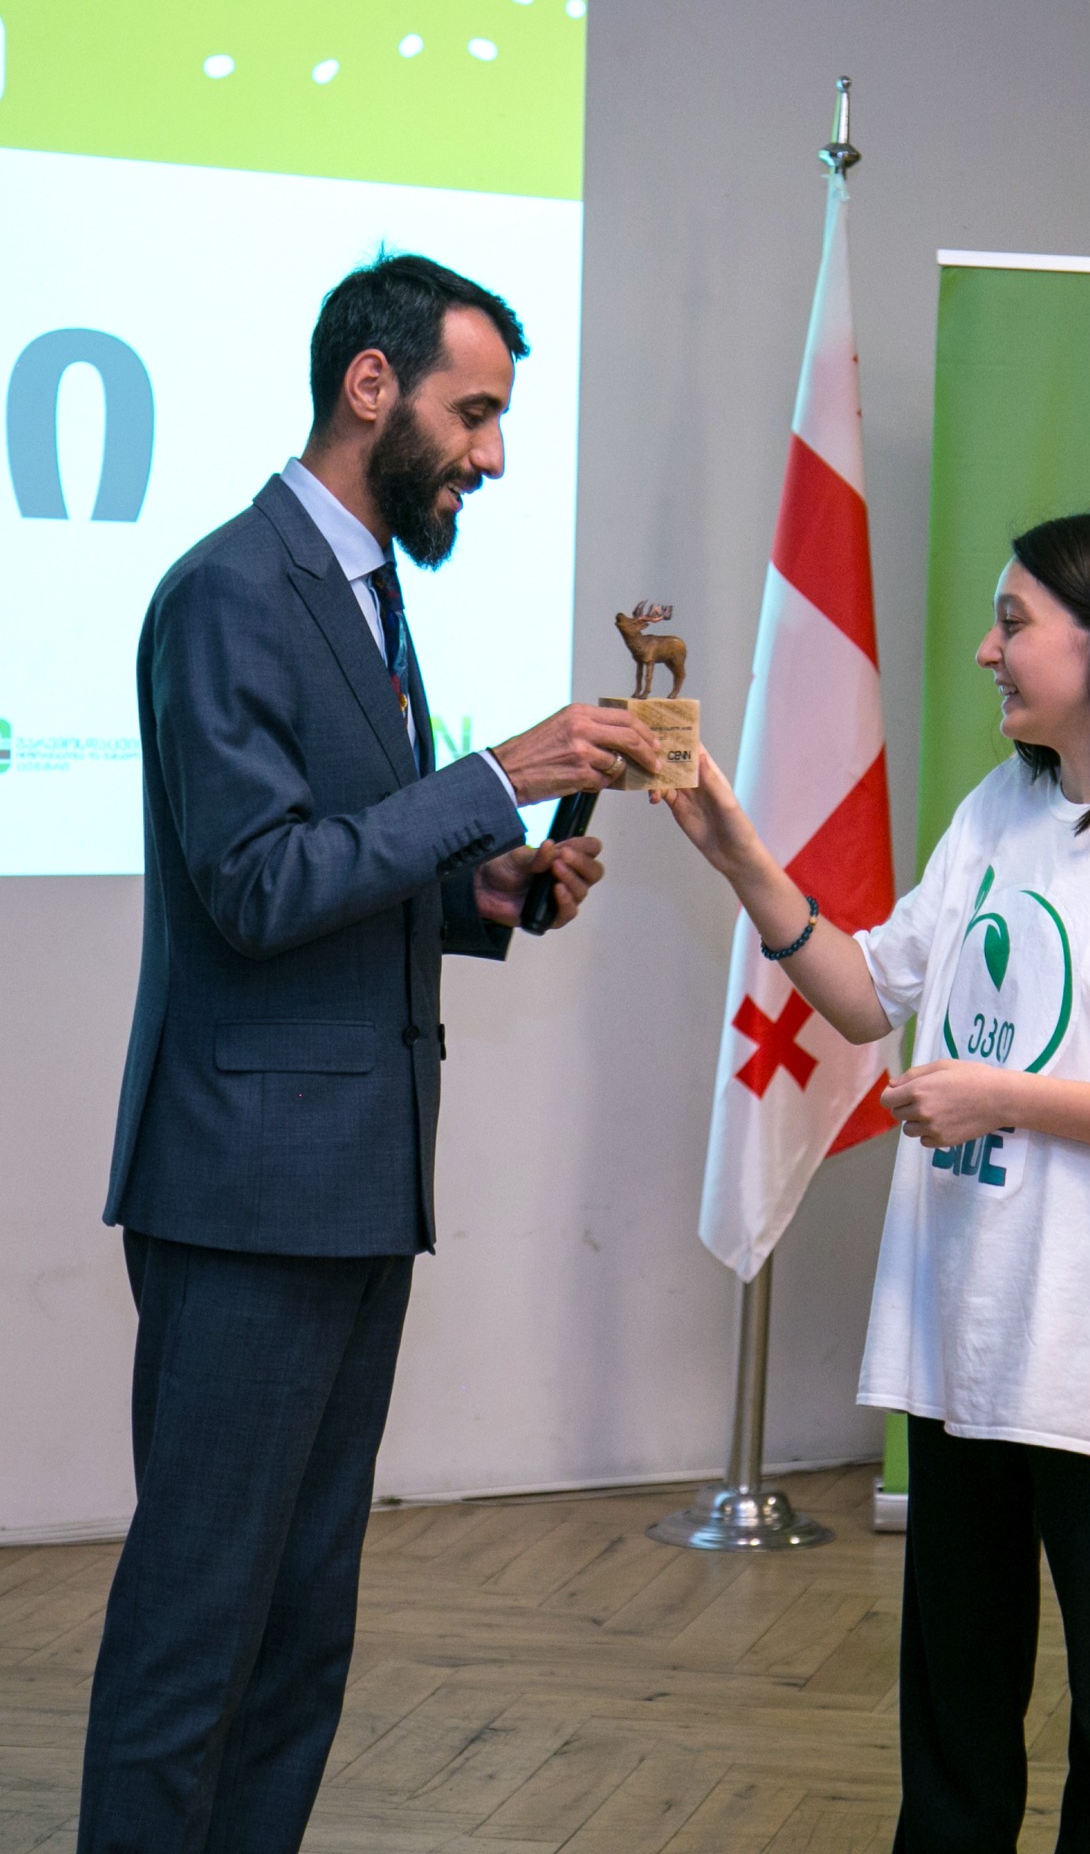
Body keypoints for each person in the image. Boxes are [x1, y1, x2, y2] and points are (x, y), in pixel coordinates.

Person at [77, 252, 660, 1854]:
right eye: (474, 415)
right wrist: (493, 776)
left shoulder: (365, 590)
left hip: (351, 1190)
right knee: (198, 1624)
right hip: (245, 1197)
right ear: (371, 386)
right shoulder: (228, 591)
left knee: (300, 1630)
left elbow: (337, 857)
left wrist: (489, 885)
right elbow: (255, 885)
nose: (493, 454)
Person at [662, 508, 1090, 1854]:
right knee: (954, 1714)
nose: (985, 650)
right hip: (962, 1326)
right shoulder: (998, 810)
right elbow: (864, 994)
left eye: (1014, 623)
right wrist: (736, 849)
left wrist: (1005, 1095)